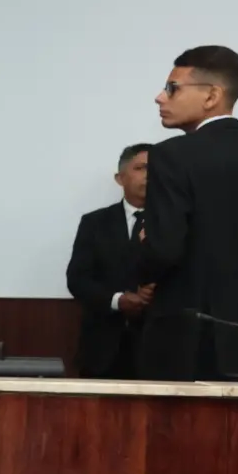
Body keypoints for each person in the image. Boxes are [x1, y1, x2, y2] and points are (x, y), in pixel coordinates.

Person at [138, 45, 238, 380]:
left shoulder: (171, 155)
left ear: (211, 96)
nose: (159, 97)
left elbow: (165, 250)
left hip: (192, 342)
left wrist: (145, 248)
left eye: (172, 88)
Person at [66, 144, 153, 379]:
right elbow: (78, 279)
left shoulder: (180, 223)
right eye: (141, 168)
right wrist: (118, 300)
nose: (150, 175)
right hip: (102, 349)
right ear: (120, 178)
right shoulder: (95, 223)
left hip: (160, 349)